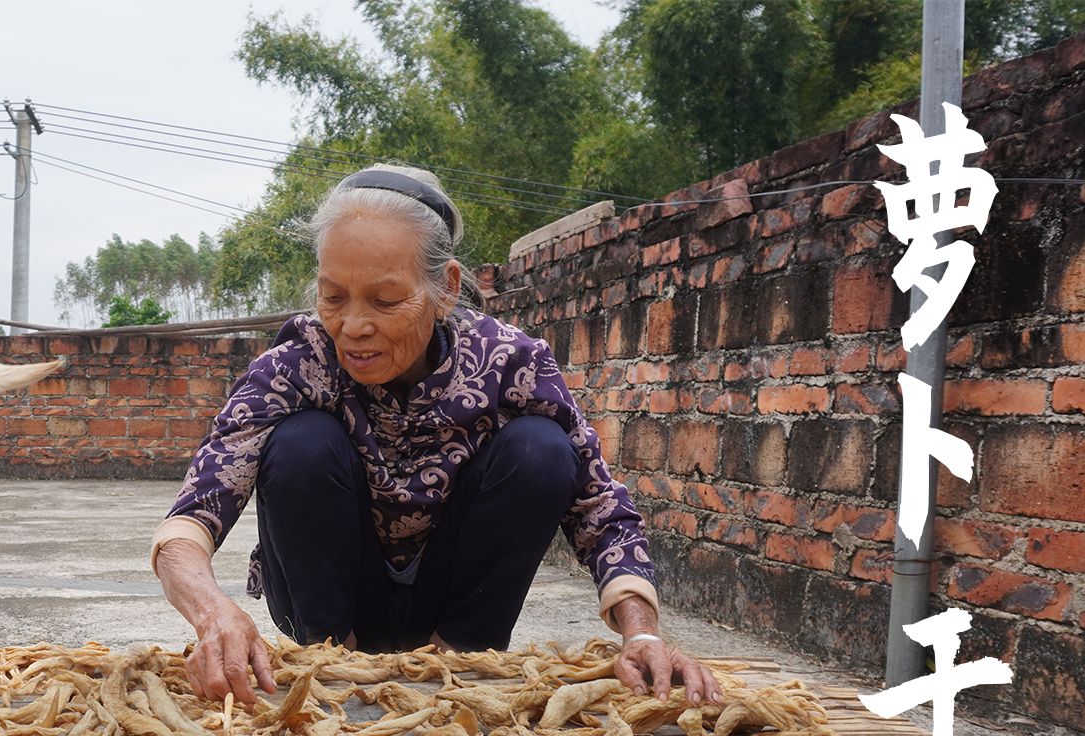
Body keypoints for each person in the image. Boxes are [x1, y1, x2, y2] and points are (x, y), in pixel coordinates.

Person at [151, 163, 722, 708]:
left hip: (453, 599)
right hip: (330, 605)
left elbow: (599, 505)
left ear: (446, 288)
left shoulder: (509, 362)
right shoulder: (296, 364)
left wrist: (642, 635)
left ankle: (454, 671)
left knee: (541, 450)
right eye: (333, 297)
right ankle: (333, 668)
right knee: (302, 442)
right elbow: (193, 515)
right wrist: (213, 613)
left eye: (385, 299)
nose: (353, 326)